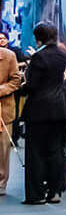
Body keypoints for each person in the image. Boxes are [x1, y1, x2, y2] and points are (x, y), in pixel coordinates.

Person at [20, 22, 66, 204]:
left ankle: (36, 194)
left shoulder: (38, 57)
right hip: (59, 108)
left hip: (39, 109)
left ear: (38, 37)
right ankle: (55, 190)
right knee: (55, 150)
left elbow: (32, 85)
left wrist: (22, 87)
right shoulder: (61, 55)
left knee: (35, 152)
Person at [0, 32, 19, 196]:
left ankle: (1, 182)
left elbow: (15, 81)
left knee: (3, 148)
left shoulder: (9, 56)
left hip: (3, 110)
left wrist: (1, 89)